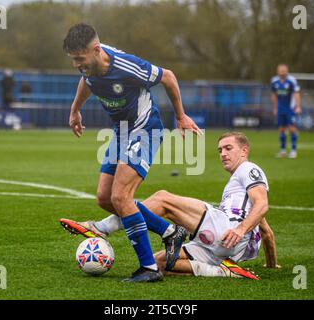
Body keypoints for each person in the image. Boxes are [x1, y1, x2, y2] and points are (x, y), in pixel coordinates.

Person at [61, 23, 202, 283]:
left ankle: (148, 268)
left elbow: (168, 76)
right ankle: (170, 233)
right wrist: (75, 110)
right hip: (121, 131)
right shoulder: (89, 67)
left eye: (79, 59)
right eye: (73, 60)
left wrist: (181, 117)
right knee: (105, 198)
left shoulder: (125, 66)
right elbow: (87, 81)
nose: (76, 65)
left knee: (121, 196)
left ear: (96, 50)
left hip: (145, 129)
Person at [61, 132, 279, 279]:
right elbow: (266, 231)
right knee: (159, 262)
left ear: (244, 151)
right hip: (221, 249)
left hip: (226, 230)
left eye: (228, 148)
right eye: (220, 150)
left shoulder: (248, 169)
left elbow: (262, 205)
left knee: (162, 199)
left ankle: (101, 227)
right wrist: (272, 264)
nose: (222, 153)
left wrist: (240, 229)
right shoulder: (238, 190)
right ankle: (223, 271)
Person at [271, 64, 301, 158]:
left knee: (292, 128)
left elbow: (296, 93)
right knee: (281, 129)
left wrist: (298, 106)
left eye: (284, 70)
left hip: (290, 108)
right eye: (281, 70)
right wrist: (275, 108)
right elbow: (274, 95)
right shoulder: (274, 81)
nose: (282, 72)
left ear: (287, 71)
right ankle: (283, 150)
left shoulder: (292, 80)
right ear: (278, 71)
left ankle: (293, 151)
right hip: (280, 109)